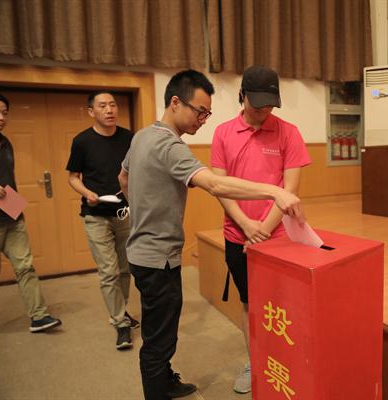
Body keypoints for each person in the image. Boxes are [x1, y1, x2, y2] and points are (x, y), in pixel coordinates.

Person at [118, 69, 304, 400]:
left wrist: (142, 213)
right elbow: (216, 184)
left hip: (146, 251)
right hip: (159, 257)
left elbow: (123, 177)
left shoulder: (141, 136)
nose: (203, 119)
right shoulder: (171, 147)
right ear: (176, 103)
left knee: (163, 329)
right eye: (200, 111)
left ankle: (166, 380)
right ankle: (160, 389)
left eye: (207, 113)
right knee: (159, 337)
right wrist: (273, 192)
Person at [211, 65, 311, 394]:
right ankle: (255, 360)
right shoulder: (223, 133)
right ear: (242, 96)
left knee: (284, 305)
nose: (264, 112)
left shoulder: (289, 132)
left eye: (269, 106)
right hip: (237, 236)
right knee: (250, 303)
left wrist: (263, 232)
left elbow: (289, 189)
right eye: (257, 106)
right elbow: (219, 186)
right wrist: (245, 225)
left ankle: (284, 359)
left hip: (279, 238)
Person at [66, 91, 138, 351]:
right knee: (108, 271)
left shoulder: (130, 138)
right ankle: (120, 322)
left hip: (124, 213)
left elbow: (136, 171)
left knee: (125, 269)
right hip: (95, 214)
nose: (109, 110)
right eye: (103, 105)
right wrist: (87, 193)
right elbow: (73, 177)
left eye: (113, 105)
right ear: (91, 111)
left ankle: (121, 309)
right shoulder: (82, 141)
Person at [0, 93, 62, 334]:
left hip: (12, 216)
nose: (1, 117)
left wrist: (17, 210)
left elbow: (7, 179)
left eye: (4, 113)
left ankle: (39, 317)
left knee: (26, 267)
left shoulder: (6, 142)